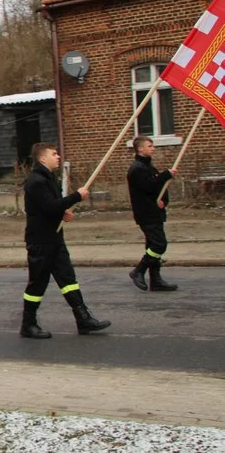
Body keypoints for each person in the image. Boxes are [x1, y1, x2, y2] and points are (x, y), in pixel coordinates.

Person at [20, 142, 111, 339]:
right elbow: (49, 207)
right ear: (42, 158)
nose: (58, 157)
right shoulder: (36, 181)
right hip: (41, 241)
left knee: (68, 279)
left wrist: (62, 214)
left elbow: (52, 209)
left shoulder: (49, 178)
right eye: (54, 154)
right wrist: (76, 197)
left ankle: (83, 319)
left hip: (54, 237)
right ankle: (28, 324)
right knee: (37, 284)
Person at [127, 136, 178, 291]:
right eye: (149, 146)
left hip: (155, 211)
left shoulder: (149, 167)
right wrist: (166, 175)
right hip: (146, 213)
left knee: (152, 245)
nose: (153, 148)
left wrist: (163, 200)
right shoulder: (136, 169)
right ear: (140, 149)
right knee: (159, 244)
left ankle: (155, 280)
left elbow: (158, 189)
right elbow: (148, 186)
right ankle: (138, 271)